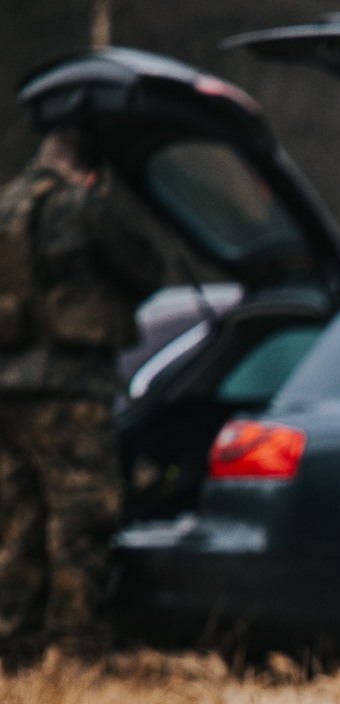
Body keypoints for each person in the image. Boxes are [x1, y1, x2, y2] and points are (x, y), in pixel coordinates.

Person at [0, 128, 165, 657]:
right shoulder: (82, 207)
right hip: (69, 389)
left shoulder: (4, 205)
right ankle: (75, 649)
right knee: (83, 516)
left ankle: (13, 646)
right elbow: (147, 269)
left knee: (17, 521)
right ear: (90, 174)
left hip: (7, 390)